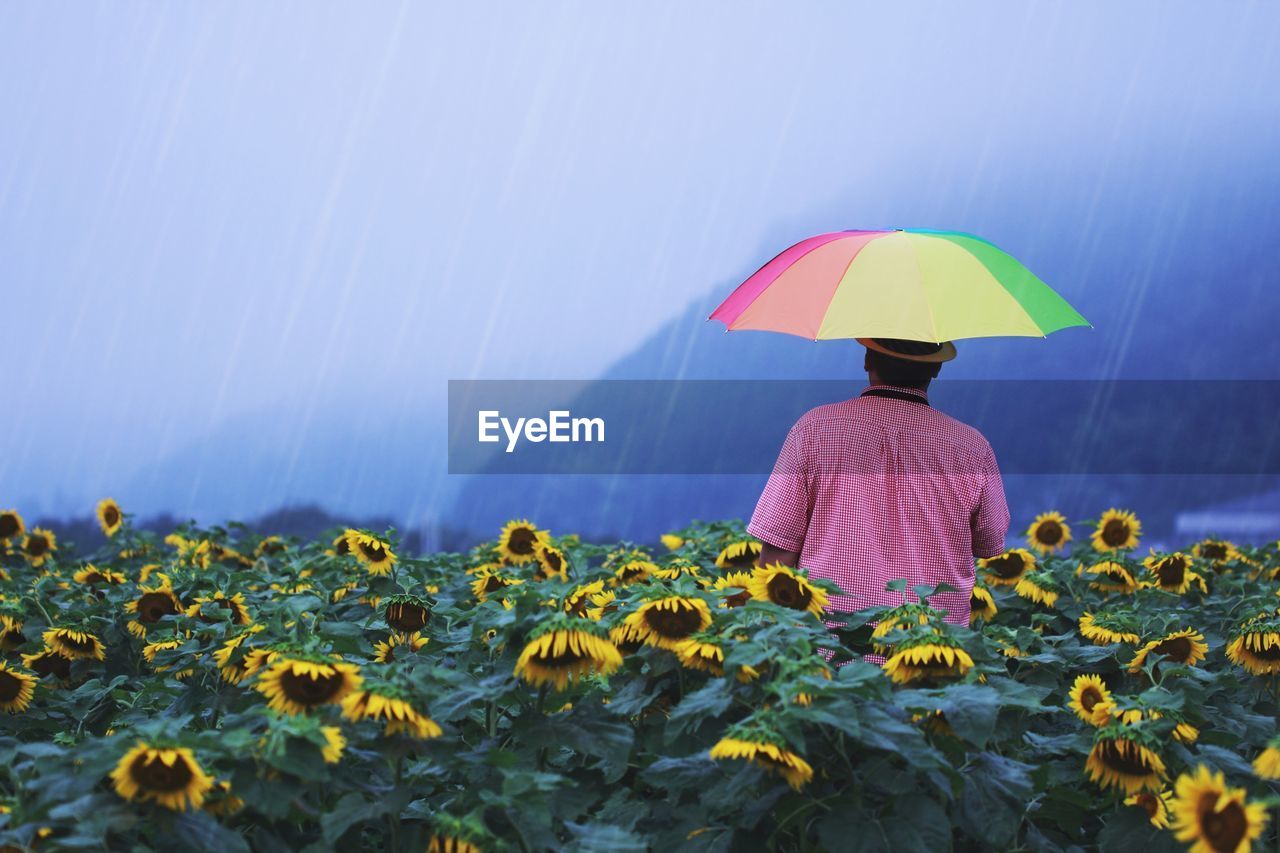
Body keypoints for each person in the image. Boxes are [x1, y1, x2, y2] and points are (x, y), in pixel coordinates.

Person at [747, 337, 1010, 642]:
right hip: (932, 650)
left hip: (826, 657)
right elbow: (990, 542)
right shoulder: (973, 448)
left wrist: (769, 636)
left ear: (867, 359)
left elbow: (779, 549)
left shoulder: (813, 429)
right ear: (937, 367)